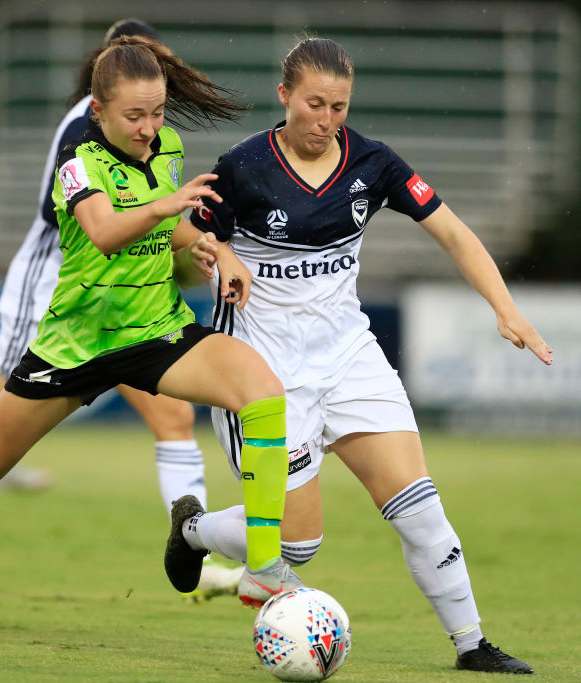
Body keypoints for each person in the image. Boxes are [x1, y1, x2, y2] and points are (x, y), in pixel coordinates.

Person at [0, 36, 303, 631]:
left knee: (263, 390)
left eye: (157, 113)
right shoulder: (76, 157)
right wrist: (171, 209)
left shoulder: (167, 149)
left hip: (155, 331)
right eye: (134, 116)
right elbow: (106, 231)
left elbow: (176, 236)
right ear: (98, 108)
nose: (148, 128)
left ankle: (264, 566)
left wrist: (217, 250)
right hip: (76, 344)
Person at [181, 37, 550, 673]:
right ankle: (192, 532)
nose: (325, 121)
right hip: (263, 372)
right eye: (314, 104)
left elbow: (453, 232)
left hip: (349, 357)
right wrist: (220, 252)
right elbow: (184, 232)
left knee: (420, 508)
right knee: (300, 543)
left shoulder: (373, 164)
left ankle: (472, 645)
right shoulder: (243, 167)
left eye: (340, 108)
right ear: (285, 97)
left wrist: (505, 307)